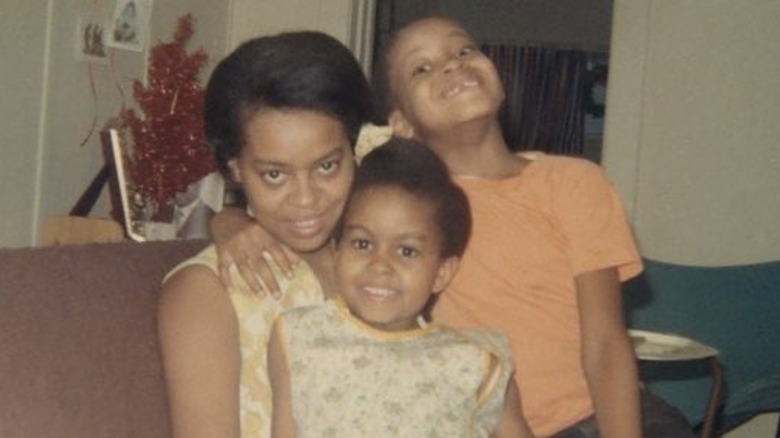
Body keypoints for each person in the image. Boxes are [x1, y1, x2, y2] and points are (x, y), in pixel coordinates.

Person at [212, 16, 696, 438]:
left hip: (604, 417)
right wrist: (229, 220)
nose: (450, 65)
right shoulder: (392, 195)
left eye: (464, 50)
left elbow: (606, 344)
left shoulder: (573, 182)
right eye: (421, 68)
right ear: (398, 124)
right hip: (488, 420)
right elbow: (298, 185)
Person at [157, 31, 372, 438]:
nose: (306, 199)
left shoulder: (375, 261)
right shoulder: (206, 291)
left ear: (355, 149)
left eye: (327, 166)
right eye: (275, 174)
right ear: (235, 168)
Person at [268, 138, 534, 437]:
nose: (380, 265)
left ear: (441, 274)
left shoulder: (473, 363)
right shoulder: (300, 337)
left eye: (406, 251)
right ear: (337, 250)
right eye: (363, 244)